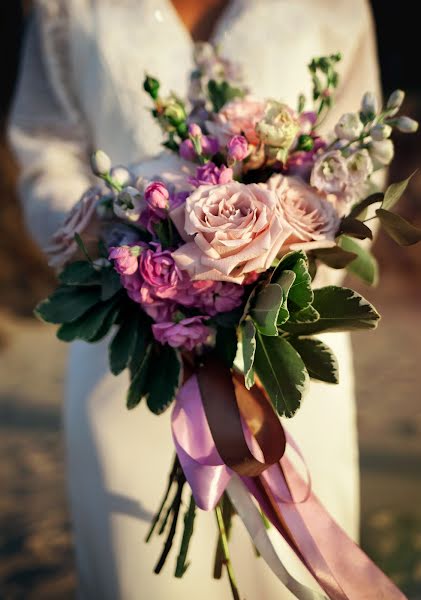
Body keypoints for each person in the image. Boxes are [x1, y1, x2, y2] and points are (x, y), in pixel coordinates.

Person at [9, 1, 382, 598]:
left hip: (283, 347)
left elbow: (357, 176)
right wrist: (127, 251)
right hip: (130, 339)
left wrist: (262, 281)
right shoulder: (66, 7)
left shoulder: (337, 8)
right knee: (141, 569)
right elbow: (45, 153)